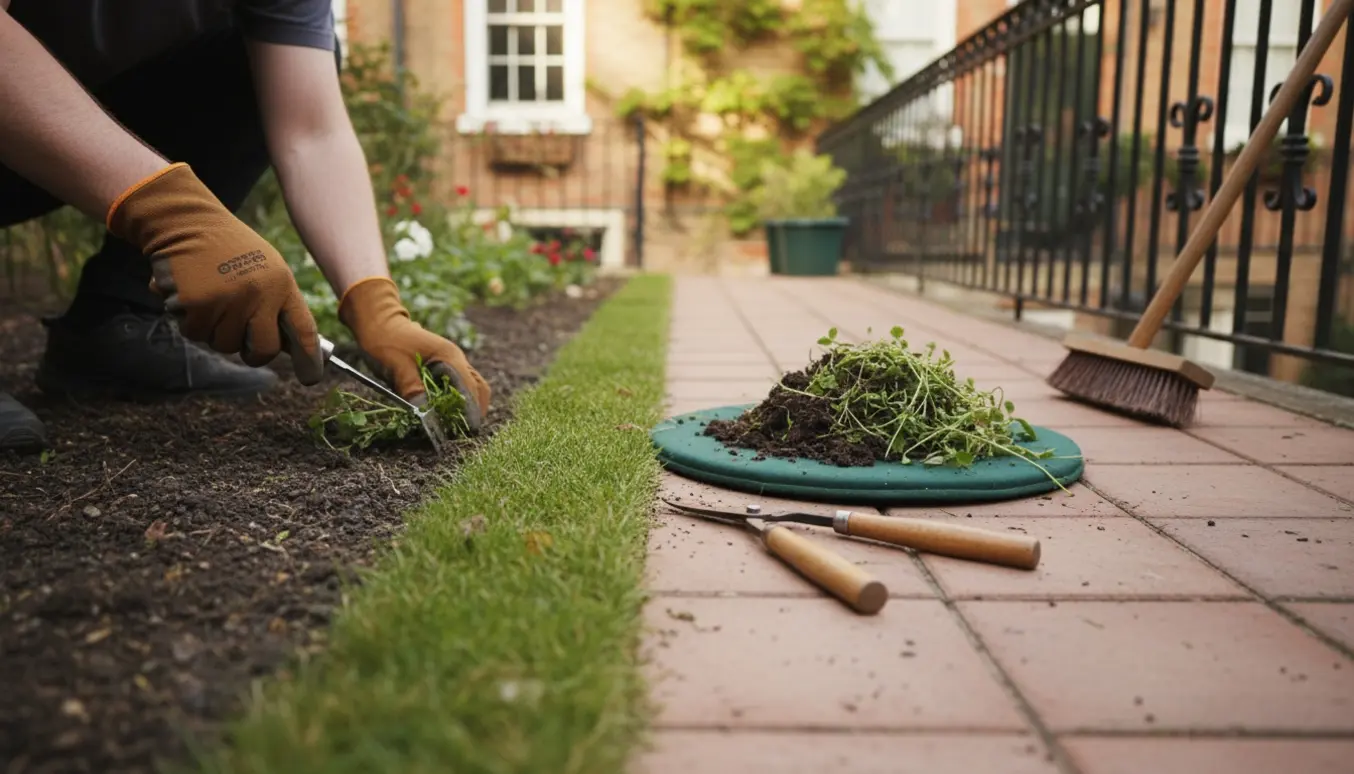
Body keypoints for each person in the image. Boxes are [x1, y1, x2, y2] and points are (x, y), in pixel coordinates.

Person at [0, 0, 491, 452]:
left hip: (71, 139)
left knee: (246, 63)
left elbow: (312, 132)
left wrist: (377, 307)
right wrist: (169, 210)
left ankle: (110, 328)